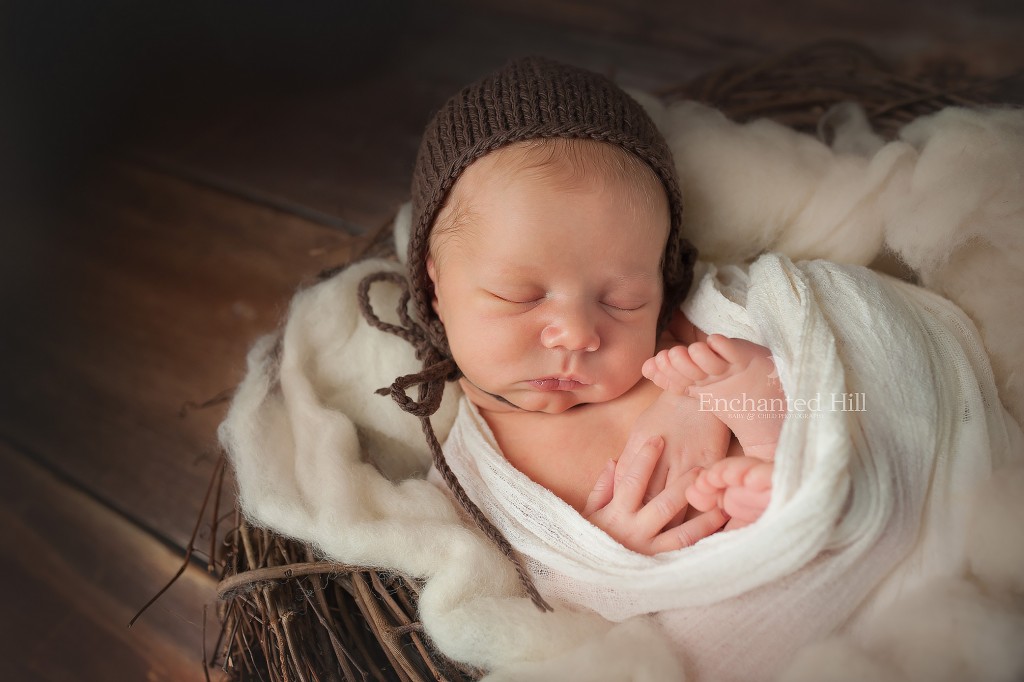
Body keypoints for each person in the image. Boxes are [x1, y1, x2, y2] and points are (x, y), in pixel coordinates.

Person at [361, 56, 784, 591]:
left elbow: (828, 375)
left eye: (624, 301)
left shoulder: (695, 336)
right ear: (435, 288)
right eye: (520, 296)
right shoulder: (467, 481)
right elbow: (513, 601)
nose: (578, 335)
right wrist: (606, 564)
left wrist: (754, 392)